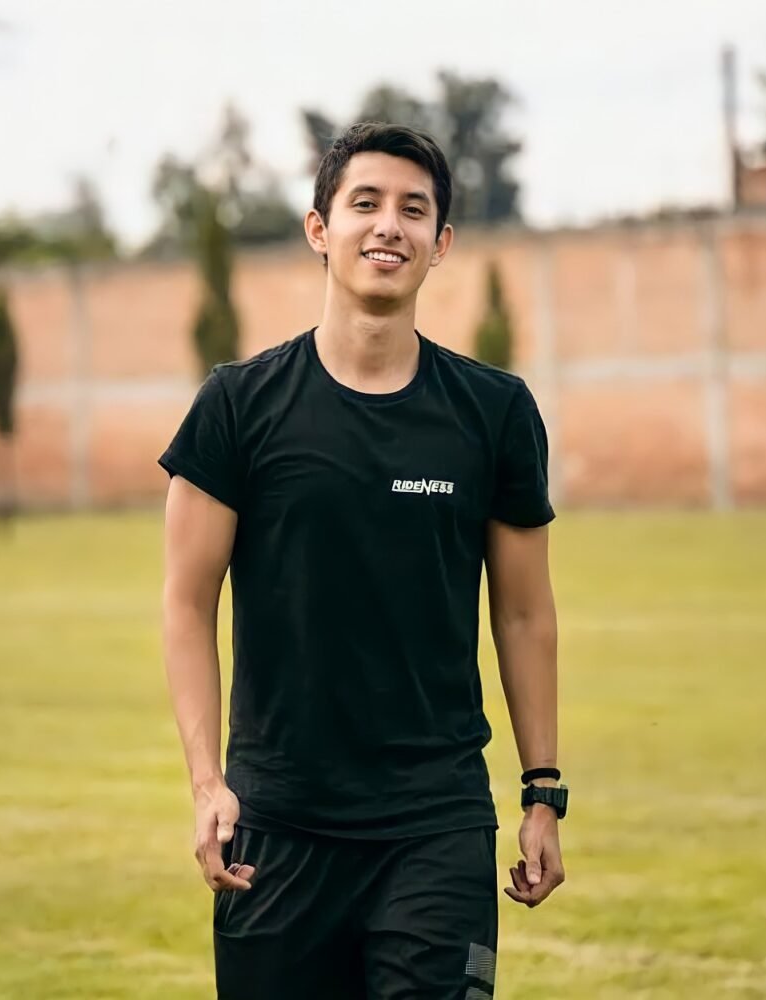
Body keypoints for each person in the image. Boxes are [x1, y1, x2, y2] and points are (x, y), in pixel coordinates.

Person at [159, 121, 566, 1000]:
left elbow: (525, 612)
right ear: (319, 229)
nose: (389, 225)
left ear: (440, 243)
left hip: (437, 822)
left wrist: (543, 792)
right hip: (276, 826)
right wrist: (206, 785)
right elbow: (187, 604)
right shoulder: (237, 407)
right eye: (365, 204)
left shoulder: (494, 413)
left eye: (413, 210)